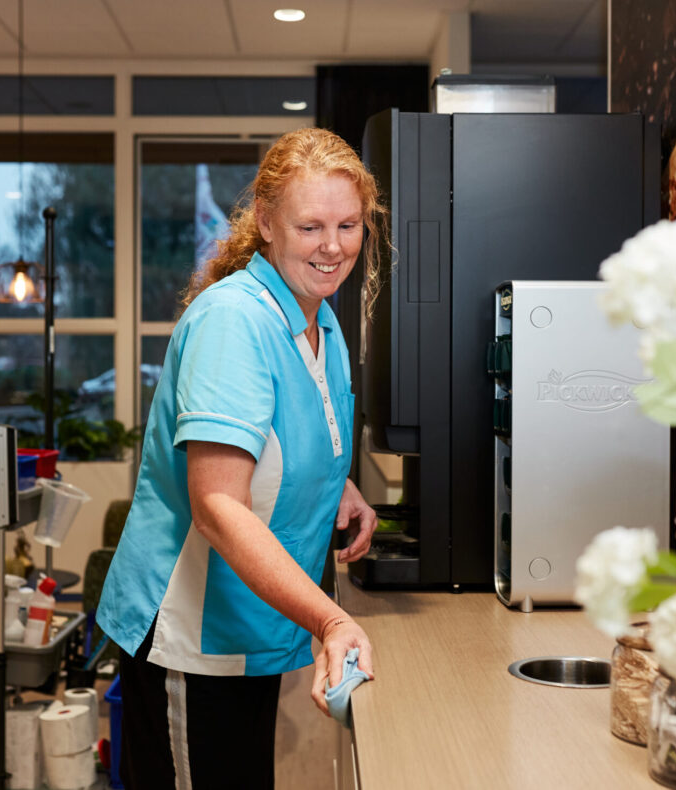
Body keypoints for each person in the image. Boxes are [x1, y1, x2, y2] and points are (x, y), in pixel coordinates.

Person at [96, 127, 387, 789]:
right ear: (266, 222)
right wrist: (331, 618)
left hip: (252, 630)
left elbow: (297, 433)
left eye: (348, 225)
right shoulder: (235, 323)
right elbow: (218, 505)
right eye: (311, 226)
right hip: (191, 637)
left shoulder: (321, 317)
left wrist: (336, 488)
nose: (333, 247)